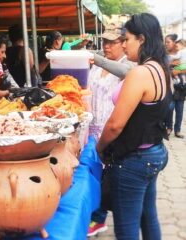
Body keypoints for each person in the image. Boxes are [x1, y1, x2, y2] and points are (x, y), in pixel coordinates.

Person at [96, 13, 171, 240]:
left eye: (127, 39)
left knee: (126, 227)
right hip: (153, 152)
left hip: (134, 158)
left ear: (142, 39)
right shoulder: (160, 68)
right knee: (149, 218)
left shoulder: (140, 73)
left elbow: (115, 126)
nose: (124, 44)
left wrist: (100, 148)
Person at [86, 22, 135, 237]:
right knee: (93, 173)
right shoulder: (96, 66)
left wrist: (97, 57)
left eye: (112, 43)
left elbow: (122, 71)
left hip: (110, 129)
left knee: (107, 176)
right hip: (91, 127)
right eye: (104, 42)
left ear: (123, 44)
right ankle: (92, 213)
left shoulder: (129, 67)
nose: (107, 47)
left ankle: (99, 218)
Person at [164, 35, 185, 138]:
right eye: (166, 42)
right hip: (169, 86)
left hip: (181, 86)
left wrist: (179, 70)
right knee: (169, 108)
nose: (166, 44)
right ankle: (168, 128)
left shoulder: (182, 55)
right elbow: (162, 68)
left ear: (174, 43)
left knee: (180, 109)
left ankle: (177, 130)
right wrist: (171, 66)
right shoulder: (164, 55)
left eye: (168, 42)